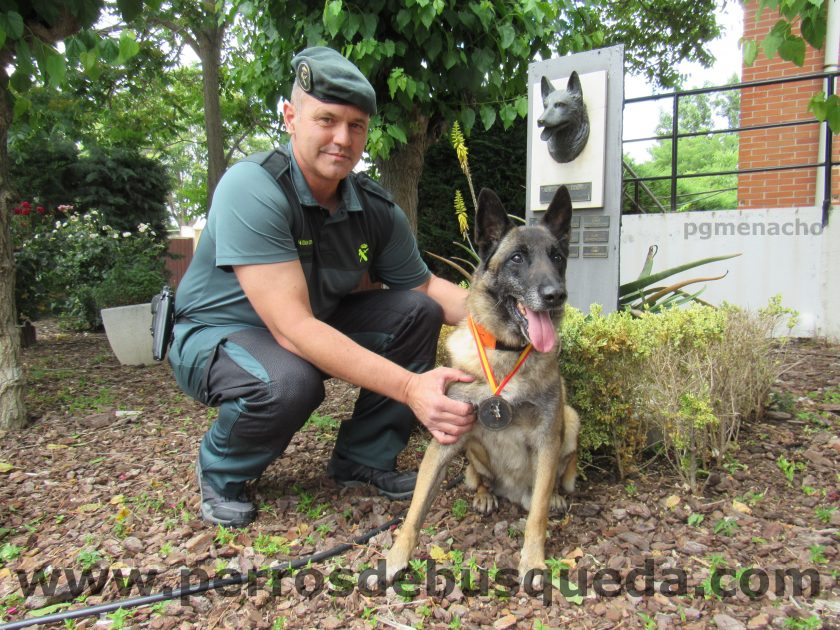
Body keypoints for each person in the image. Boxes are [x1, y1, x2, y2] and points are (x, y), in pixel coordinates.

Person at [169, 46, 476, 527]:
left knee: (417, 312)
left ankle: (364, 459)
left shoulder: (372, 207)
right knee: (290, 380)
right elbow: (292, 329)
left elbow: (427, 287)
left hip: (305, 327)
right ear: (291, 117)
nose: (342, 138)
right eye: (327, 120)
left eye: (356, 126)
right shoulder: (252, 189)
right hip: (218, 336)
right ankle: (221, 471)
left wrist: (515, 317)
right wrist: (412, 388)